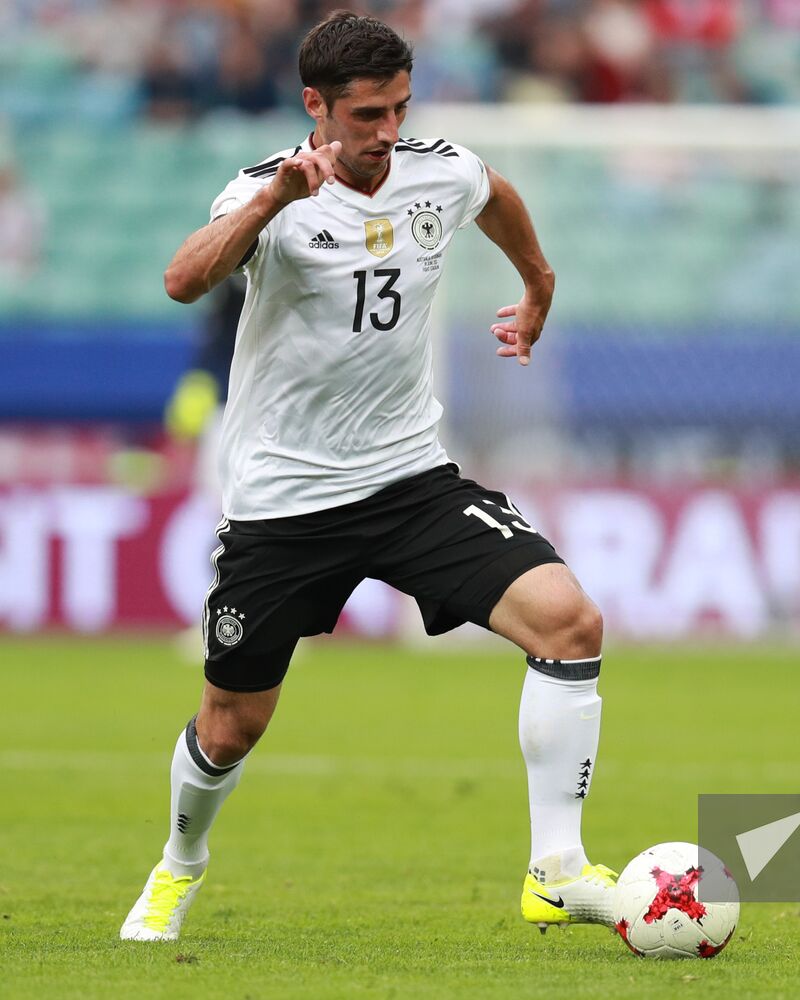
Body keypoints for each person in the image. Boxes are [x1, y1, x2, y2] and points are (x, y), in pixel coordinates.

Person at [121, 10, 615, 942]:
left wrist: (539, 285)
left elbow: (495, 193)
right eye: (365, 115)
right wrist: (271, 204)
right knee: (230, 727)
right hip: (284, 506)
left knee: (569, 620)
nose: (386, 132)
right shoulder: (265, 192)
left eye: (398, 108)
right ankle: (179, 864)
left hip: (408, 482)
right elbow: (183, 280)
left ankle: (555, 868)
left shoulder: (437, 167)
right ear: (315, 106)